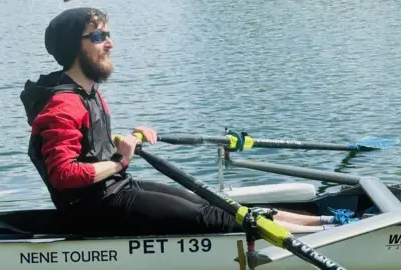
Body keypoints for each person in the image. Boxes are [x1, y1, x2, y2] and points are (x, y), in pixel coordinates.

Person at [20, 7, 358, 236]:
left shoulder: (86, 92)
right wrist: (122, 159)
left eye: (107, 34)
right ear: (73, 47)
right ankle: (331, 235)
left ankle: (328, 221)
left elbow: (90, 145)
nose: (109, 43)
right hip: (93, 209)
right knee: (215, 217)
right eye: (97, 37)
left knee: (218, 202)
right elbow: (64, 175)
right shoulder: (63, 104)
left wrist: (131, 138)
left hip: (114, 191)